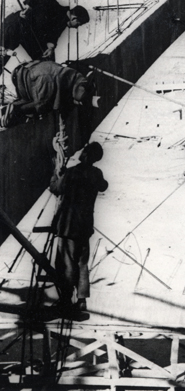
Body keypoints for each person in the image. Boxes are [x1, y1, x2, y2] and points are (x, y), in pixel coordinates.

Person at [50, 141, 108, 315]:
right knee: (82, 263)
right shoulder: (97, 174)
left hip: (68, 226)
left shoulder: (73, 172)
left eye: (83, 151)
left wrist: (55, 174)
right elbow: (104, 186)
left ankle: (66, 301)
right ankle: (81, 301)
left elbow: (56, 189)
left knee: (65, 264)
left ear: (86, 155)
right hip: (85, 226)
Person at [1, 0, 89, 67]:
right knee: (2, 55)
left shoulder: (63, 21)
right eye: (79, 24)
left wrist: (51, 47)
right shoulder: (53, 5)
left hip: (28, 34)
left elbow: (53, 35)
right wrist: (28, 7)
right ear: (74, 18)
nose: (77, 27)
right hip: (14, 25)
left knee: (47, 62)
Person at [0, 60, 92, 127]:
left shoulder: (74, 76)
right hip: (30, 80)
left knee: (31, 103)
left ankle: (13, 108)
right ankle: (14, 110)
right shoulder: (51, 82)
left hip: (26, 71)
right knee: (37, 107)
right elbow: (40, 105)